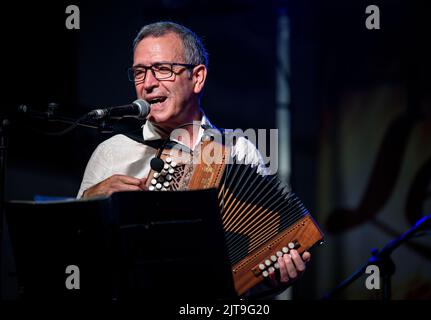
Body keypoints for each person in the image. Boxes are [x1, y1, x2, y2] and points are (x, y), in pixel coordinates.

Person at [77, 21, 311, 298]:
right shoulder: (112, 152)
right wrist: (88, 205)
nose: (148, 84)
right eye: (140, 72)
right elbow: (76, 254)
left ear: (197, 77)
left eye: (162, 69)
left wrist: (272, 282)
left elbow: (260, 256)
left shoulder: (238, 150)